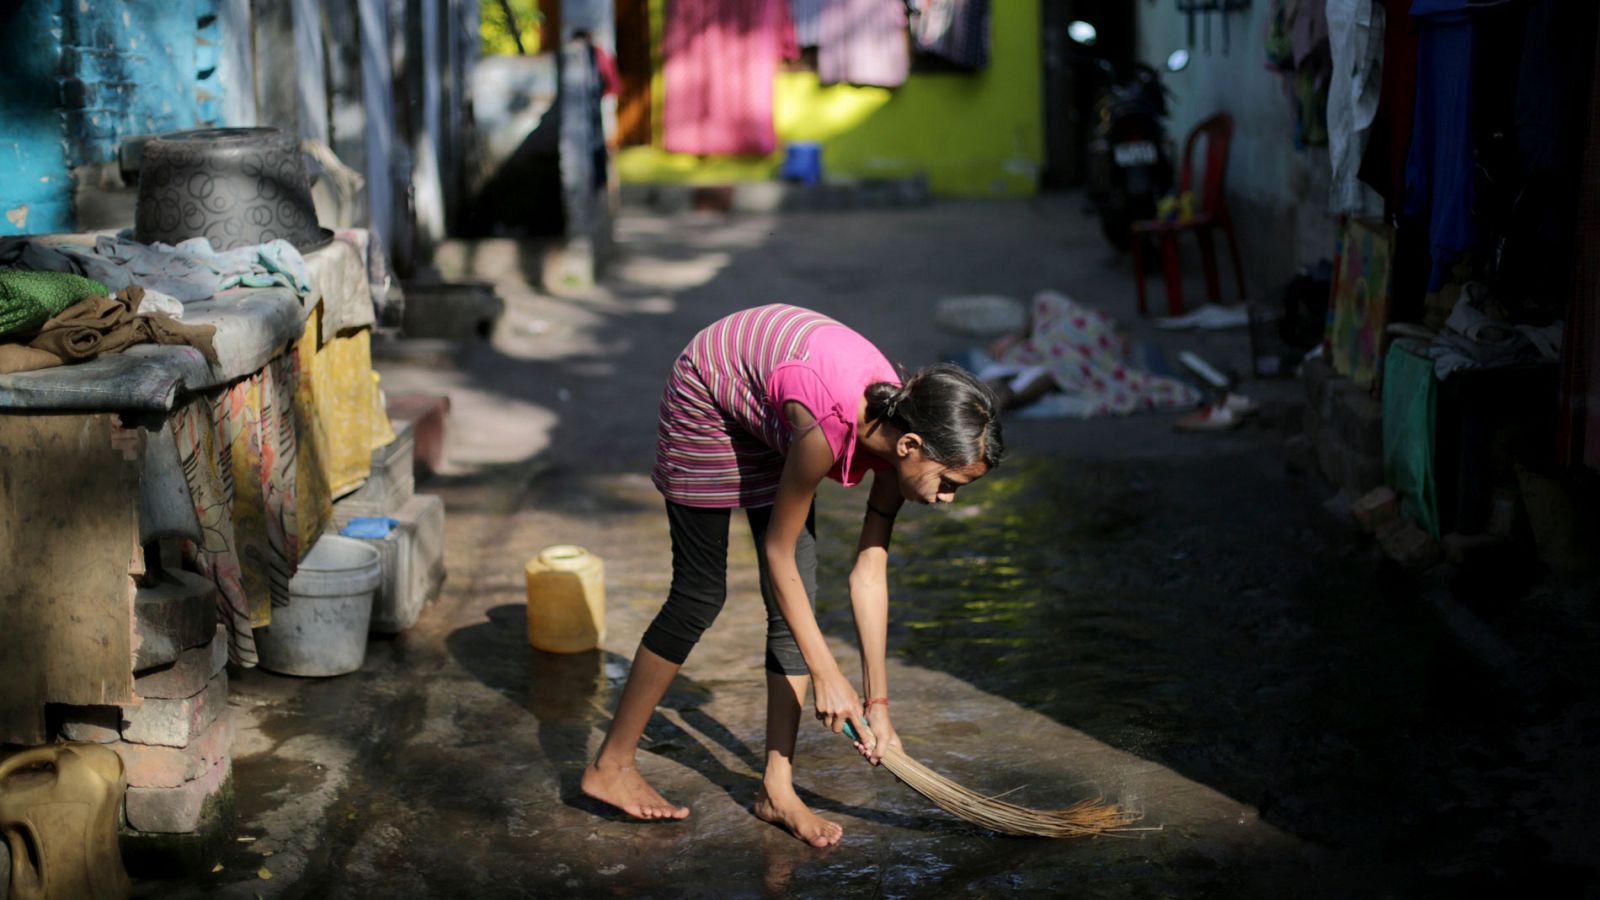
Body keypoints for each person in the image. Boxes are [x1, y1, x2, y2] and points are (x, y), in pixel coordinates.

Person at [581, 303, 1004, 847]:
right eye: (949, 483)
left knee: (794, 610)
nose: (946, 499)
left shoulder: (904, 433)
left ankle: (776, 790)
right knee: (699, 595)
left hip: (777, 409)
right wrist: (827, 673)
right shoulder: (829, 432)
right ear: (910, 448)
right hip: (710, 391)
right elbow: (777, 554)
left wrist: (878, 705)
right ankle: (611, 765)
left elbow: (869, 571)